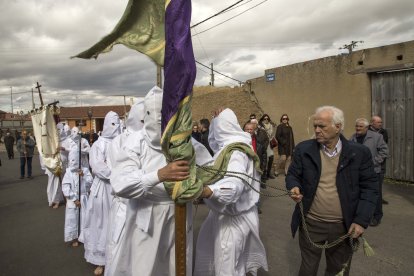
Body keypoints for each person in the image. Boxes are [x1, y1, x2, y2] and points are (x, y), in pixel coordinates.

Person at [109, 86, 193, 276]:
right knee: (146, 267)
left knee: (177, 266)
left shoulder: (183, 141)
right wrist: (159, 175)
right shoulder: (135, 143)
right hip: (147, 219)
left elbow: (206, 168)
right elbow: (120, 183)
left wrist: (200, 187)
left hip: (179, 215)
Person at [286, 106, 379, 276]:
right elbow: (293, 174)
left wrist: (361, 220)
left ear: (338, 126)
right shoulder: (304, 149)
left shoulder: (359, 153)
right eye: (315, 126)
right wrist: (293, 185)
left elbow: (370, 188)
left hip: (344, 227)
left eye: (322, 126)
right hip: (310, 223)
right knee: (307, 270)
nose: (317, 130)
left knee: (338, 271)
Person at [194, 108, 268, 276]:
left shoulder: (236, 152)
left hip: (232, 222)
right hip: (229, 218)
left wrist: (207, 191)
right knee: (235, 266)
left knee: (227, 269)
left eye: (216, 127)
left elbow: (234, 186)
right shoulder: (231, 148)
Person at [104, 100, 145, 276]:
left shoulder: (149, 140)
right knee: (121, 250)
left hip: (144, 207)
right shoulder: (119, 142)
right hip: (125, 204)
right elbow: (120, 176)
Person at [83, 111, 121, 276]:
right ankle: (100, 261)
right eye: (112, 123)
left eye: (117, 123)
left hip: (121, 189)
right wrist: (117, 175)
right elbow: (98, 167)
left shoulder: (123, 142)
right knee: (102, 222)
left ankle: (118, 259)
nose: (116, 127)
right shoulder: (99, 145)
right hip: (104, 189)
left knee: (119, 223)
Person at [350, 118, 388, 227]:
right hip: (359, 172)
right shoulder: (353, 137)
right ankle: (362, 215)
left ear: (367, 127)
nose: (357, 128)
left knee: (375, 194)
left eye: (360, 126)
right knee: (361, 193)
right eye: (356, 126)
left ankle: (377, 217)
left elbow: (384, 151)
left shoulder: (377, 137)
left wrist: (375, 162)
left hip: (374, 171)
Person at [62, 149, 93, 247]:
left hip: (83, 198)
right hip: (73, 199)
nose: (74, 163)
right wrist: (74, 199)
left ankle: (84, 236)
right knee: (73, 218)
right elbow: (65, 186)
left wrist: (83, 176)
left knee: (84, 217)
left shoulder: (85, 170)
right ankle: (74, 237)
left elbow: (91, 183)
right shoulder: (68, 172)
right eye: (72, 160)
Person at [369, 115, 389, 204]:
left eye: (381, 122)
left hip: (381, 160)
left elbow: (384, 145)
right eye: (378, 122)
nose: (380, 124)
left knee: (380, 181)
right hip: (370, 160)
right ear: (372, 123)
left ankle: (379, 198)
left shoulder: (384, 132)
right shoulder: (367, 131)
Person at [250, 118, 269, 184]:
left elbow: (267, 140)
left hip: (260, 152)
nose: (253, 125)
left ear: (257, 124)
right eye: (252, 123)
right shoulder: (249, 131)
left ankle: (262, 181)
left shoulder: (262, 131)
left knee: (260, 167)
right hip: (252, 152)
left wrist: (264, 147)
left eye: (254, 123)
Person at [259, 114, 276, 180]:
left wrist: (271, 138)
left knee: (271, 158)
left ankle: (269, 173)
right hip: (263, 144)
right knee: (265, 159)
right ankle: (264, 174)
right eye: (265, 119)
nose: (266, 120)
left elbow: (271, 135)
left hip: (269, 144)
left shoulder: (271, 126)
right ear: (262, 119)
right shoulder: (260, 126)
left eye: (267, 119)